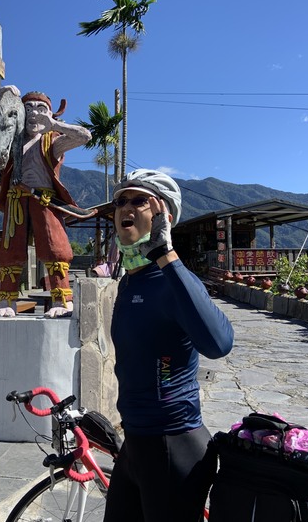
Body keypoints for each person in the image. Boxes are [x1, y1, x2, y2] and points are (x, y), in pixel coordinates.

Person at [104, 169, 234, 521]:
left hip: (174, 445)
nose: (125, 207)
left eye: (138, 200)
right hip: (136, 445)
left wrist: (167, 254)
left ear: (164, 216)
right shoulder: (131, 281)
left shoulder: (172, 279)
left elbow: (219, 343)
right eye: (121, 201)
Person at [0, 86, 91, 318]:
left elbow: (85, 136)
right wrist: (1, 96)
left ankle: (62, 300)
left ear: (50, 114)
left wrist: (55, 125)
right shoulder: (11, 141)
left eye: (41, 109)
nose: (35, 114)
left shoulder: (52, 141)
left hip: (44, 200)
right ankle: (6, 301)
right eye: (28, 109)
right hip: (15, 199)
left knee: (55, 247)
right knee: (10, 250)